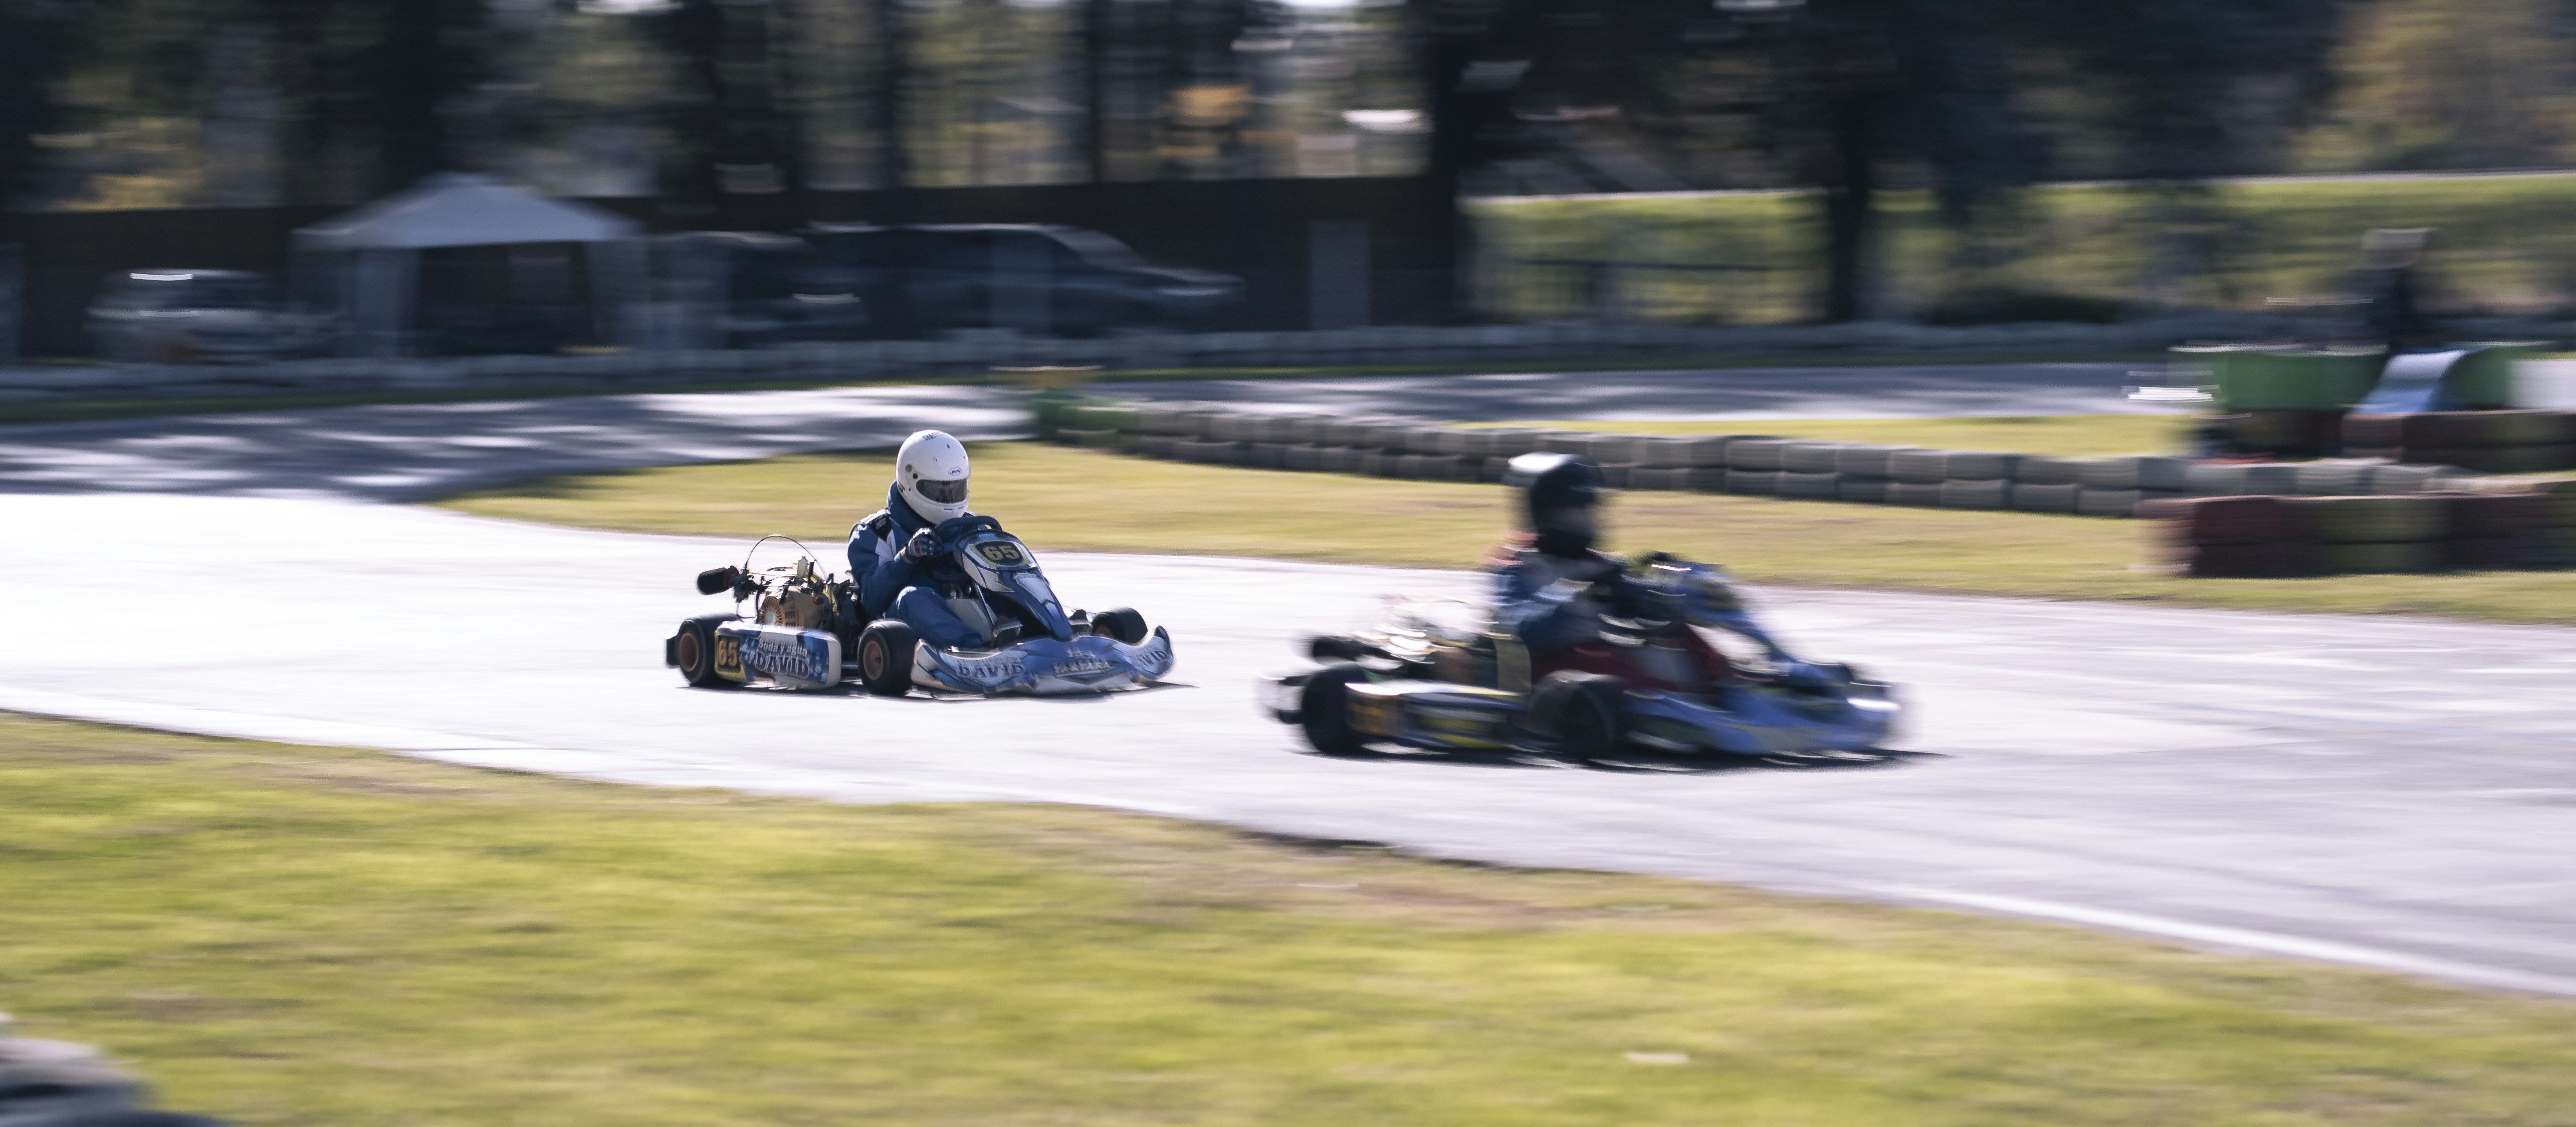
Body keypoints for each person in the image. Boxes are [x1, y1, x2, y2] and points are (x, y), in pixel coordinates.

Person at [847, 429, 989, 650]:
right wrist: (906, 557)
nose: (949, 499)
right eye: (940, 491)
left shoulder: (971, 525)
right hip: (903, 623)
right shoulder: (876, 532)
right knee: (913, 596)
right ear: (911, 482)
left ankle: (1049, 631)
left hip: (965, 608)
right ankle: (974, 651)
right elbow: (872, 601)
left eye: (956, 489)